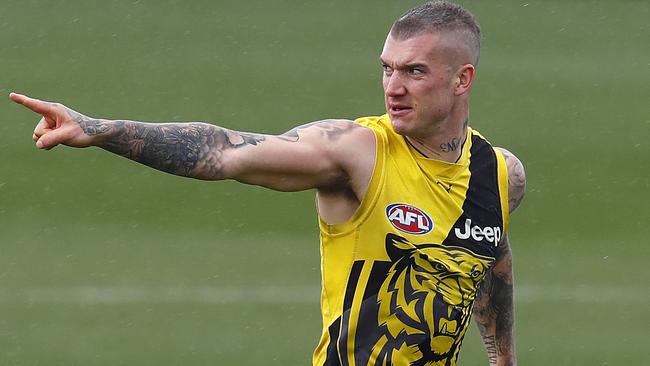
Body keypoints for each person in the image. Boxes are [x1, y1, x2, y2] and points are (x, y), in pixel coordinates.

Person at [10, 1, 525, 365]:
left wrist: (502, 358)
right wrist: (100, 130)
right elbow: (224, 152)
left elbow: (489, 257)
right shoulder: (355, 152)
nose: (392, 87)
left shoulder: (499, 174)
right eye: (386, 69)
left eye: (413, 71)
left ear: (462, 79)